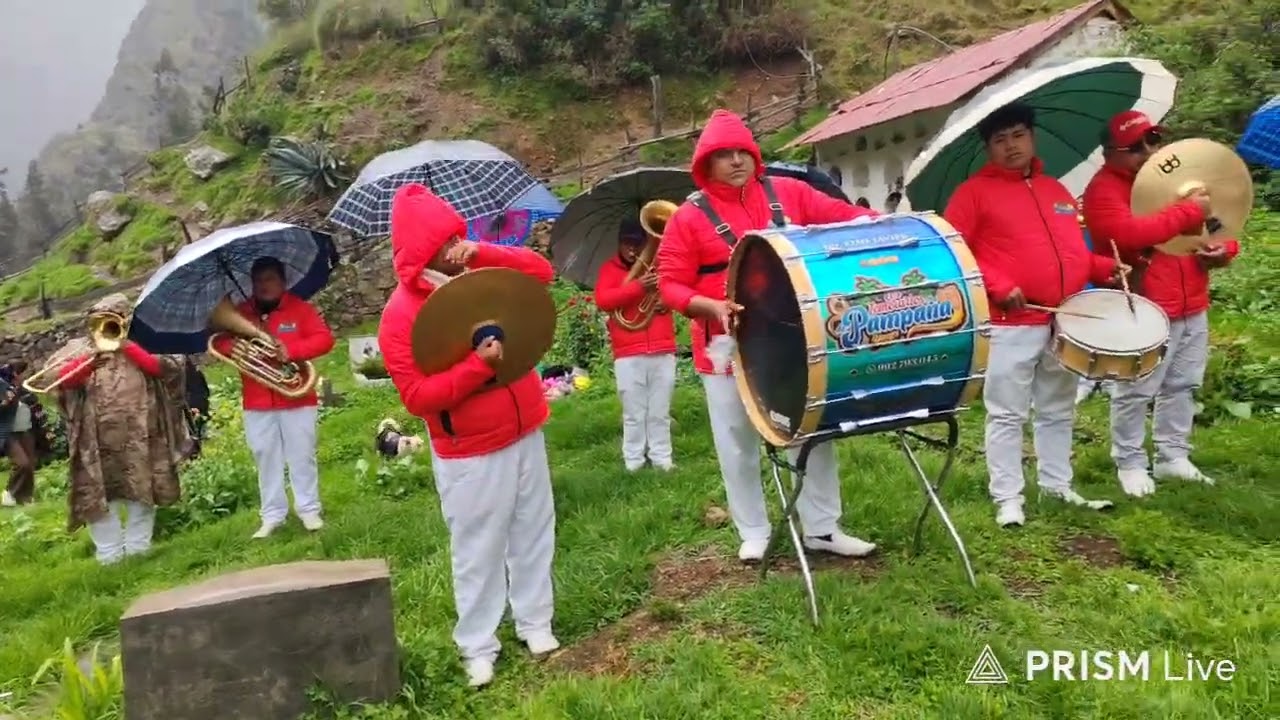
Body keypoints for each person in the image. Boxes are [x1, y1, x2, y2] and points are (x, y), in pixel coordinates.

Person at [656, 108, 880, 563]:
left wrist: (880, 223)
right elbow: (670, 284)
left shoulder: (792, 192)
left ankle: (823, 528)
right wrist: (713, 307)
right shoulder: (689, 217)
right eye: (724, 155)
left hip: (796, 339)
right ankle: (753, 530)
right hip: (725, 347)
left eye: (743, 151)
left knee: (810, 430)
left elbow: (843, 217)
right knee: (737, 439)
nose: (736, 161)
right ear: (706, 163)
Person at [378, 183, 559, 688]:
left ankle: (535, 623)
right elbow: (417, 396)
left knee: (533, 531)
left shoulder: (479, 273)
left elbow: (542, 274)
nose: (456, 247)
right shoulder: (400, 316)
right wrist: (477, 368)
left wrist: (485, 249)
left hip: (525, 428)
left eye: (460, 235)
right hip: (470, 450)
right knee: (479, 548)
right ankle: (478, 646)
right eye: (446, 240)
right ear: (420, 252)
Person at [943, 102, 1127, 528]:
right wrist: (998, 286)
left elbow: (1072, 252)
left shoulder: (1055, 191)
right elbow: (956, 251)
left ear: (1032, 136)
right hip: (1010, 324)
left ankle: (1057, 486)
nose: (1011, 146)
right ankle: (1008, 498)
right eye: (1000, 140)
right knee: (1007, 411)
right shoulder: (972, 194)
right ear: (988, 148)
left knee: (1058, 407)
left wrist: (1103, 269)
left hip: (1063, 318)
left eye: (1018, 135)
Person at [1082, 110, 1237, 496]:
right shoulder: (1104, 190)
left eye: (1153, 140)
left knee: (1183, 384)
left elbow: (1218, 222)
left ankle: (1173, 456)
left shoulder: (1178, 180)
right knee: (1135, 388)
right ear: (1108, 154)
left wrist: (1224, 250)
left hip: (1192, 299)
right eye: (1135, 147)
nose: (1148, 151)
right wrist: (1188, 211)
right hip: (1144, 305)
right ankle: (1130, 462)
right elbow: (1129, 234)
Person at [52, 294, 189, 563]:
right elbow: (55, 379)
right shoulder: (79, 348)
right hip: (96, 442)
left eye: (113, 316)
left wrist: (129, 348)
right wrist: (86, 365)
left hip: (142, 436)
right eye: (99, 319)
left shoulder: (146, 342)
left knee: (143, 493)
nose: (106, 323)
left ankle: (139, 551)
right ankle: (109, 557)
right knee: (100, 499)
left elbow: (171, 368)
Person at [211, 256, 335, 539]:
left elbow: (324, 340)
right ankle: (272, 515)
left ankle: (308, 509)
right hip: (257, 401)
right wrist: (237, 347)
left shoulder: (300, 309)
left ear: (282, 281)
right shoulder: (241, 313)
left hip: (296, 398)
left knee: (301, 454)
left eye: (270, 279)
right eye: (258, 281)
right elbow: (218, 341)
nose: (264, 286)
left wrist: (290, 349)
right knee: (265, 456)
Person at [593, 217, 678, 472]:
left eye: (639, 244)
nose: (633, 250)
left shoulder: (661, 266)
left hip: (663, 349)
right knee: (633, 413)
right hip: (628, 353)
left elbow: (678, 291)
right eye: (627, 244)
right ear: (619, 244)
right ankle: (634, 461)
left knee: (660, 411)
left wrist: (667, 300)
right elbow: (604, 301)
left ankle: (663, 459)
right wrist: (638, 287)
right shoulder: (609, 269)